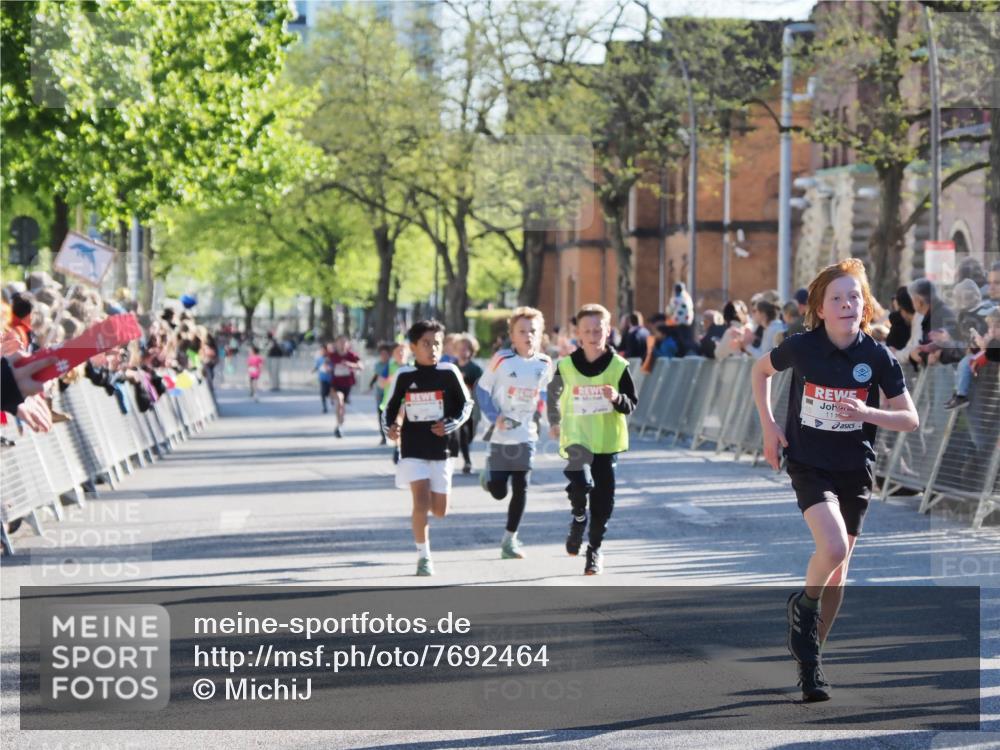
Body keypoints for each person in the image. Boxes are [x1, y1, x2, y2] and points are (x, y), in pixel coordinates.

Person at [750, 258, 918, 702]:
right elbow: (760, 371)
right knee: (834, 547)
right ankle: (803, 607)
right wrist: (769, 427)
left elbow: (910, 419)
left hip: (854, 468)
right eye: (837, 298)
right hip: (809, 463)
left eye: (854, 297)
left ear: (865, 306)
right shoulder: (801, 347)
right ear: (820, 308)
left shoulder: (877, 356)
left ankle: (811, 663)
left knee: (839, 572)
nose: (846, 304)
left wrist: (867, 412)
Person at [547, 304, 637, 575]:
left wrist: (616, 398)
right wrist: (554, 421)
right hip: (576, 438)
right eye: (587, 330)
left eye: (598, 329)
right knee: (581, 484)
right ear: (578, 334)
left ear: (608, 331)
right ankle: (578, 519)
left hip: (606, 443)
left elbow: (631, 403)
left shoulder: (618, 366)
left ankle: (594, 550)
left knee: (603, 502)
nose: (593, 335)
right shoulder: (566, 366)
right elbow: (552, 395)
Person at [382, 320, 472, 576]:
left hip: (442, 449)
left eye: (437, 343)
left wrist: (450, 424)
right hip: (413, 447)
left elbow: (466, 405)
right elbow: (389, 408)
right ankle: (424, 556)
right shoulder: (404, 375)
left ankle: (428, 530)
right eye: (426, 343)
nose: (432, 348)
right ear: (413, 346)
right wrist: (391, 428)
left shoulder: (449, 372)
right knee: (420, 502)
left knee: (440, 511)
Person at [476, 308, 553, 560]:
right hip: (500, 434)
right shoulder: (502, 359)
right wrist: (494, 416)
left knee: (521, 487)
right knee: (499, 491)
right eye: (522, 331)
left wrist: (544, 416)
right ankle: (489, 476)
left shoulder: (545, 363)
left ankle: (510, 540)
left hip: (526, 434)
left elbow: (543, 393)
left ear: (540, 334)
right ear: (512, 335)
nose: (528, 335)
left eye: (533, 331)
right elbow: (482, 389)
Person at [454, 334, 483, 474]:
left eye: (466, 349)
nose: (462, 351)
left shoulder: (475, 369)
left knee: (470, 433)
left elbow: (481, 388)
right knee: (462, 433)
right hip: (457, 406)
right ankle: (467, 461)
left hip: (473, 406)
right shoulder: (452, 367)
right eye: (460, 348)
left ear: (471, 351)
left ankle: (464, 446)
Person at [328, 335, 362, 438]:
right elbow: (325, 365)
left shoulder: (352, 355)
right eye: (340, 342)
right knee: (340, 400)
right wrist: (327, 368)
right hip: (335, 384)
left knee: (342, 405)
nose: (342, 344)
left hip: (347, 385)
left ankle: (340, 424)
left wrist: (350, 364)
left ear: (348, 344)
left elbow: (361, 366)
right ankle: (339, 426)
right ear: (336, 344)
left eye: (344, 342)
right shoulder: (332, 356)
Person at [371, 342, 394, 445]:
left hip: (391, 393)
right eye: (382, 354)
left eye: (386, 354)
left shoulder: (392, 364)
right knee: (381, 414)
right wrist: (370, 385)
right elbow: (376, 376)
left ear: (389, 354)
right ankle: (383, 436)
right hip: (380, 393)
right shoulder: (378, 365)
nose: (384, 356)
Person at [313, 341, 333, 414]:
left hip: (330, 379)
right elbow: (317, 366)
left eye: (324, 350)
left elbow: (333, 366)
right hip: (322, 378)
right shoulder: (319, 359)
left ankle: (332, 399)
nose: (322, 351)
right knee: (323, 393)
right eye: (321, 350)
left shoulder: (330, 358)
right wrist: (313, 370)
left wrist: (330, 369)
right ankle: (324, 407)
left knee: (329, 392)